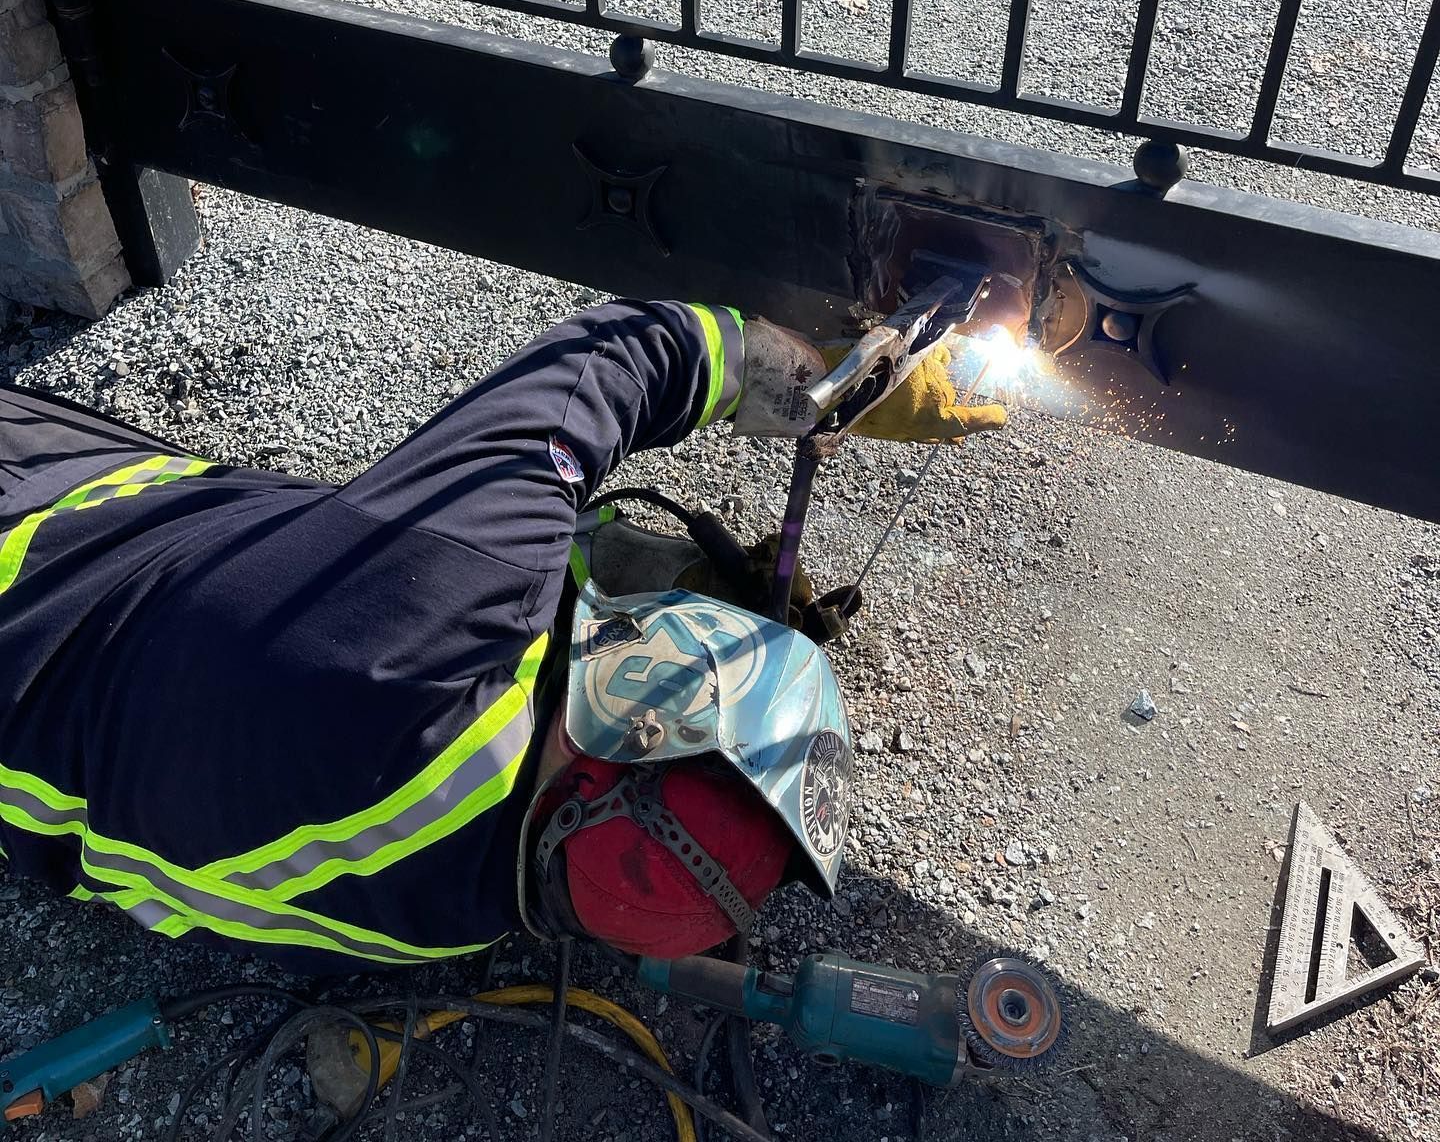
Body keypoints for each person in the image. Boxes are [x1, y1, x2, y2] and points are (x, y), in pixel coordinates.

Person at [0, 300, 1004, 970]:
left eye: (663, 664)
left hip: (47, 553)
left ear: (606, 738)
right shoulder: (473, 914)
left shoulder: (424, 612)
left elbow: (613, 358)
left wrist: (807, 371)